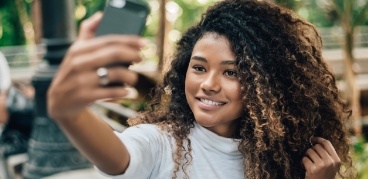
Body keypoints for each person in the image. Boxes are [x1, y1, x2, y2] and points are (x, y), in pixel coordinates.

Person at [47, 0, 355, 178]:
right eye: (199, 67)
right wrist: (69, 113)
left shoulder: (288, 160)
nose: (208, 84)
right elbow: (118, 157)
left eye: (231, 72)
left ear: (269, 84)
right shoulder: (161, 144)